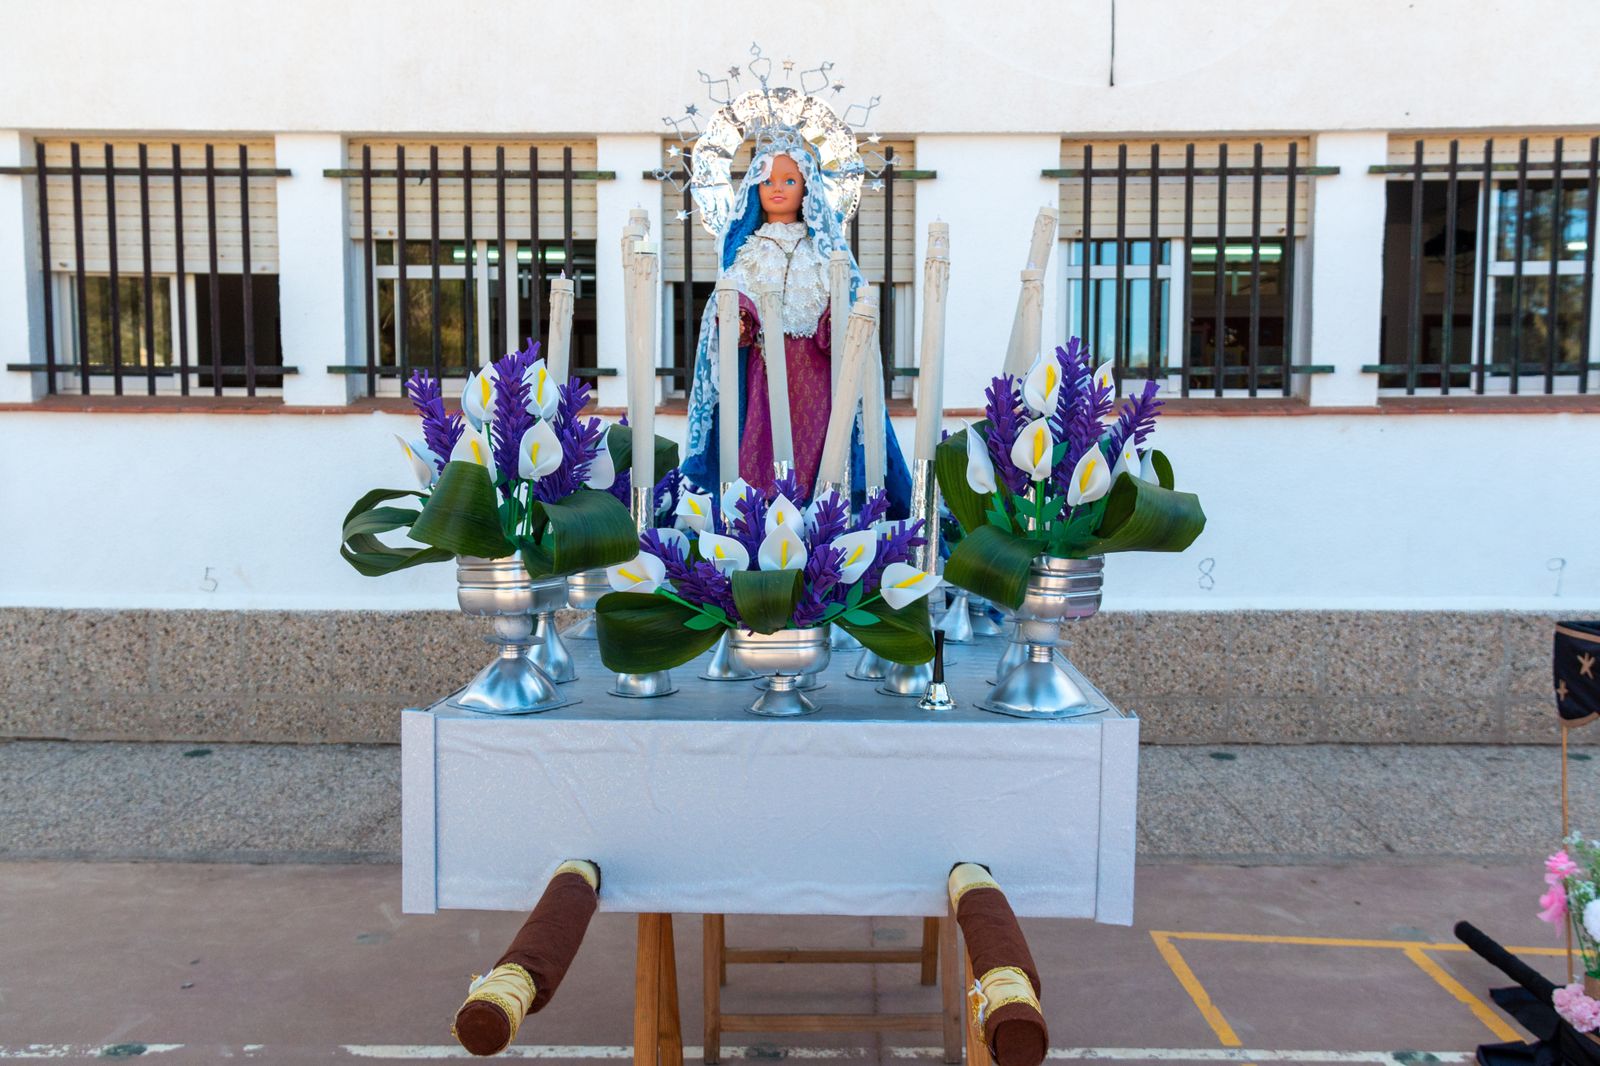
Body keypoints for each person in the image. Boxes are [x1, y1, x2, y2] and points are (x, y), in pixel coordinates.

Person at [682, 137, 911, 511]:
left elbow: (839, 298)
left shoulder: (820, 249)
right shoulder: (749, 248)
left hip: (816, 371)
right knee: (759, 439)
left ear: (807, 188)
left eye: (789, 180)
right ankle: (757, 519)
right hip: (765, 372)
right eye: (768, 180)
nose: (777, 188)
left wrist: (834, 322)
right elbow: (733, 293)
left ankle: (815, 517)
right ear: (755, 187)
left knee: (819, 441)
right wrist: (740, 318)